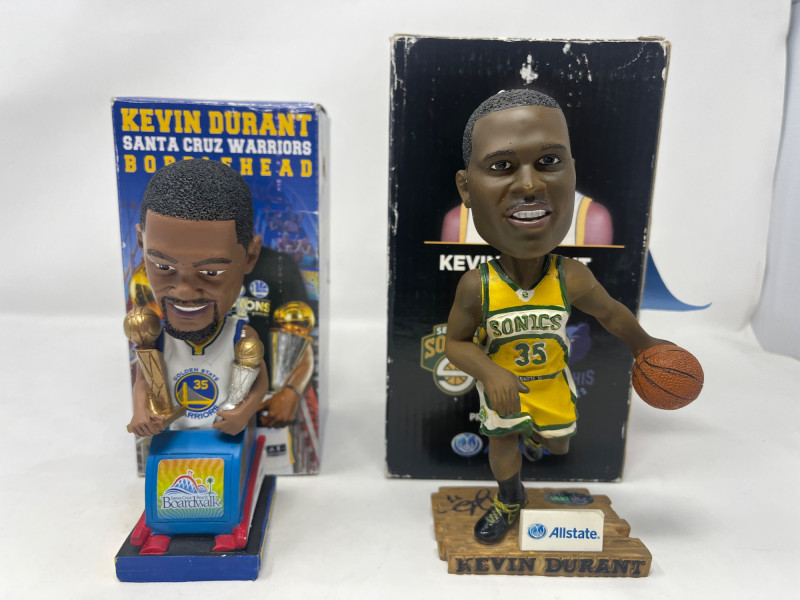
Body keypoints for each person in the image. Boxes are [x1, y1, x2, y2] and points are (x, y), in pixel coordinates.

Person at [445, 89, 667, 545]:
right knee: (502, 442)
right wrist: (491, 373)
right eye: (503, 166)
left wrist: (646, 346)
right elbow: (455, 343)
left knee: (559, 444)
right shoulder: (477, 284)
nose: (529, 185)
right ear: (466, 188)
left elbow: (611, 314)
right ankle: (510, 499)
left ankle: (534, 437)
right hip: (505, 387)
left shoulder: (571, 276)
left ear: (572, 172)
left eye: (548, 161)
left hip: (551, 382)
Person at [127, 159, 269, 437]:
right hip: (172, 441)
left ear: (250, 257)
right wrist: (141, 413)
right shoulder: (155, 338)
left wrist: (242, 413)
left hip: (223, 442)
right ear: (142, 244)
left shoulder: (241, 337)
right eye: (163, 266)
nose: (184, 292)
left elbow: (260, 382)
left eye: (211, 272)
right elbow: (142, 382)